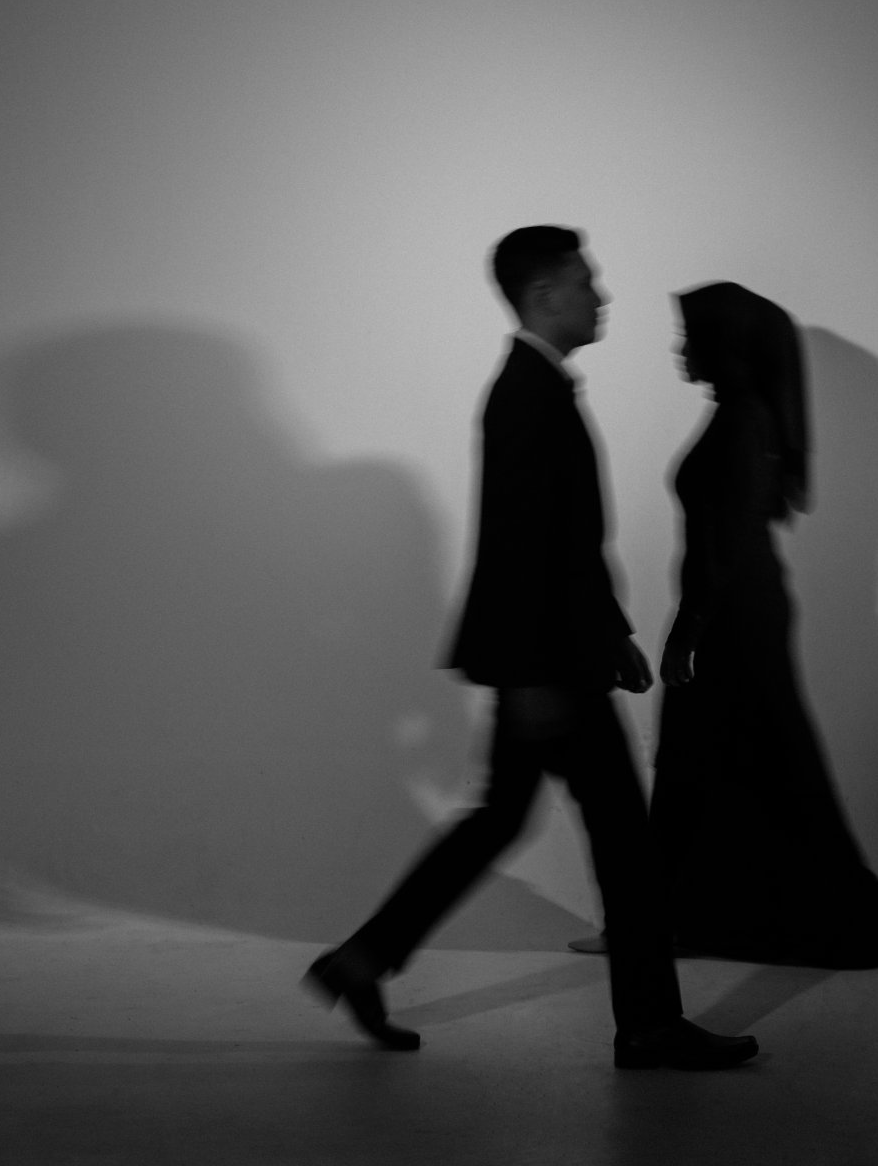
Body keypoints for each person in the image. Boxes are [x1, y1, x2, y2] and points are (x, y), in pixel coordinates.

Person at [304, 228, 758, 1071]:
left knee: (501, 822)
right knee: (625, 847)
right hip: (548, 671)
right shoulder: (525, 394)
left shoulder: (535, 387)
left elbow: (563, 542)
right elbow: (516, 549)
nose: (602, 296)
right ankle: (649, 1025)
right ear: (546, 295)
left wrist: (612, 634)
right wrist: (530, 678)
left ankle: (360, 962)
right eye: (587, 281)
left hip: (556, 661)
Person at [649, 281, 878, 969]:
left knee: (738, 761)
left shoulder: (742, 422)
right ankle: (673, 921)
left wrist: (688, 630)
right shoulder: (741, 417)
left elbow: (727, 541)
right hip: (740, 608)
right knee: (721, 761)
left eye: (691, 334)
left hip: (735, 615)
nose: (680, 348)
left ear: (725, 342)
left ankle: (671, 923)